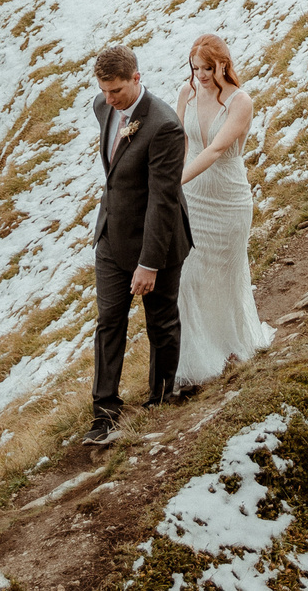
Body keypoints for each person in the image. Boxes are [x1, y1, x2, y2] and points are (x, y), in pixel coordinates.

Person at [85, 43, 193, 445]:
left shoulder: (164, 125)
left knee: (160, 320)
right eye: (104, 91)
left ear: (137, 78)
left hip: (157, 241)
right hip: (112, 238)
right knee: (109, 321)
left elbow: (163, 201)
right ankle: (104, 412)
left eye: (117, 92)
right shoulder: (103, 107)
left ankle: (160, 400)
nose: (109, 100)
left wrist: (148, 263)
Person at [173, 33, 272, 387]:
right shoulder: (186, 92)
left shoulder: (240, 101)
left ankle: (232, 347)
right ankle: (199, 362)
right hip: (194, 198)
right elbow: (179, 141)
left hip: (228, 201)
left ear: (223, 64)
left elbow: (214, 150)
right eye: (195, 67)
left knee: (227, 278)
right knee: (188, 277)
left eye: (207, 68)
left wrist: (174, 183)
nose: (199, 75)